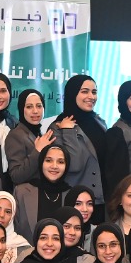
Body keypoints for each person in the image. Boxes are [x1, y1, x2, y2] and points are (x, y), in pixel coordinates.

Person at [51, 74, 107, 205]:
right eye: (85, 91)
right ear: (72, 94)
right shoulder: (58, 127)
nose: (91, 96)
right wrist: (68, 132)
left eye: (94, 92)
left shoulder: (99, 122)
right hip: (75, 203)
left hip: (101, 200)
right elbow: (73, 165)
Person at [13, 144, 71, 238]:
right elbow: (12, 230)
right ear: (41, 163)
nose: (54, 166)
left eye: (60, 162)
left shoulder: (71, 194)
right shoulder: (21, 192)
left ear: (66, 166)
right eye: (48, 160)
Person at [4, 89, 56, 186]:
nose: (35, 111)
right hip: (27, 193)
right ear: (21, 109)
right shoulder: (15, 135)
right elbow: (16, 176)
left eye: (39, 106)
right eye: (29, 107)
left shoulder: (40, 133)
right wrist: (37, 151)